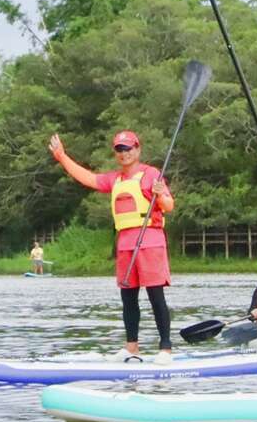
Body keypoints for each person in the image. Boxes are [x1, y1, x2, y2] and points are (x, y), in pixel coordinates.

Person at [49, 129, 175, 361]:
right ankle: (131, 347)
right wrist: (62, 157)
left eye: (128, 148)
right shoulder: (115, 179)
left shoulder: (151, 174)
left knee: (156, 296)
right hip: (125, 242)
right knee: (128, 297)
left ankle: (165, 348)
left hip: (150, 240)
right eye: (119, 149)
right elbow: (87, 177)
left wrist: (160, 195)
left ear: (137, 149)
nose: (124, 153)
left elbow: (168, 205)